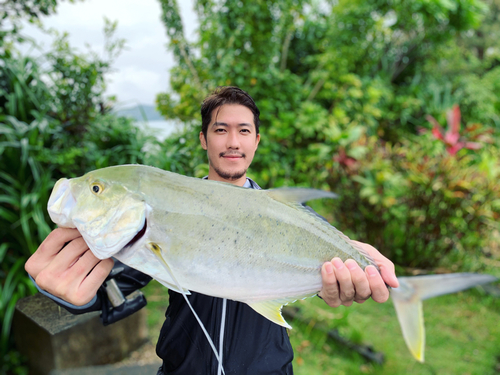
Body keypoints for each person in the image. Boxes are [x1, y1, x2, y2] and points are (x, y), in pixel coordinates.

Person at [25, 86, 399, 374]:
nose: (232, 142)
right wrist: (67, 294)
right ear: (204, 139)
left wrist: (352, 277)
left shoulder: (290, 213)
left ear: (256, 141)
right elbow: (112, 289)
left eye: (243, 131)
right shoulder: (161, 212)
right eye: (220, 130)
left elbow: (321, 273)